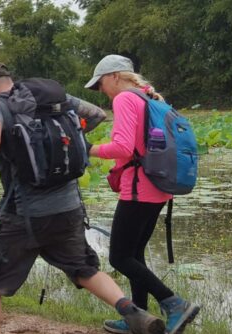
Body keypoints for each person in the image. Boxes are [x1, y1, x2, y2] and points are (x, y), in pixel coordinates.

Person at [0, 62, 164, 334]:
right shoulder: (54, 97)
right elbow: (96, 115)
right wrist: (66, 141)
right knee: (84, 268)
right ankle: (132, 312)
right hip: (69, 208)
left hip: (22, 214)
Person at [84, 55, 201, 334]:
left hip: (139, 188)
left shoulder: (124, 99)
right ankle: (138, 320)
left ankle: (173, 303)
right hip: (160, 187)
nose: (100, 91)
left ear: (114, 76)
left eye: (100, 84)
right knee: (134, 254)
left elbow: (123, 148)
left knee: (119, 257)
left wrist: (88, 149)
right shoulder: (150, 98)